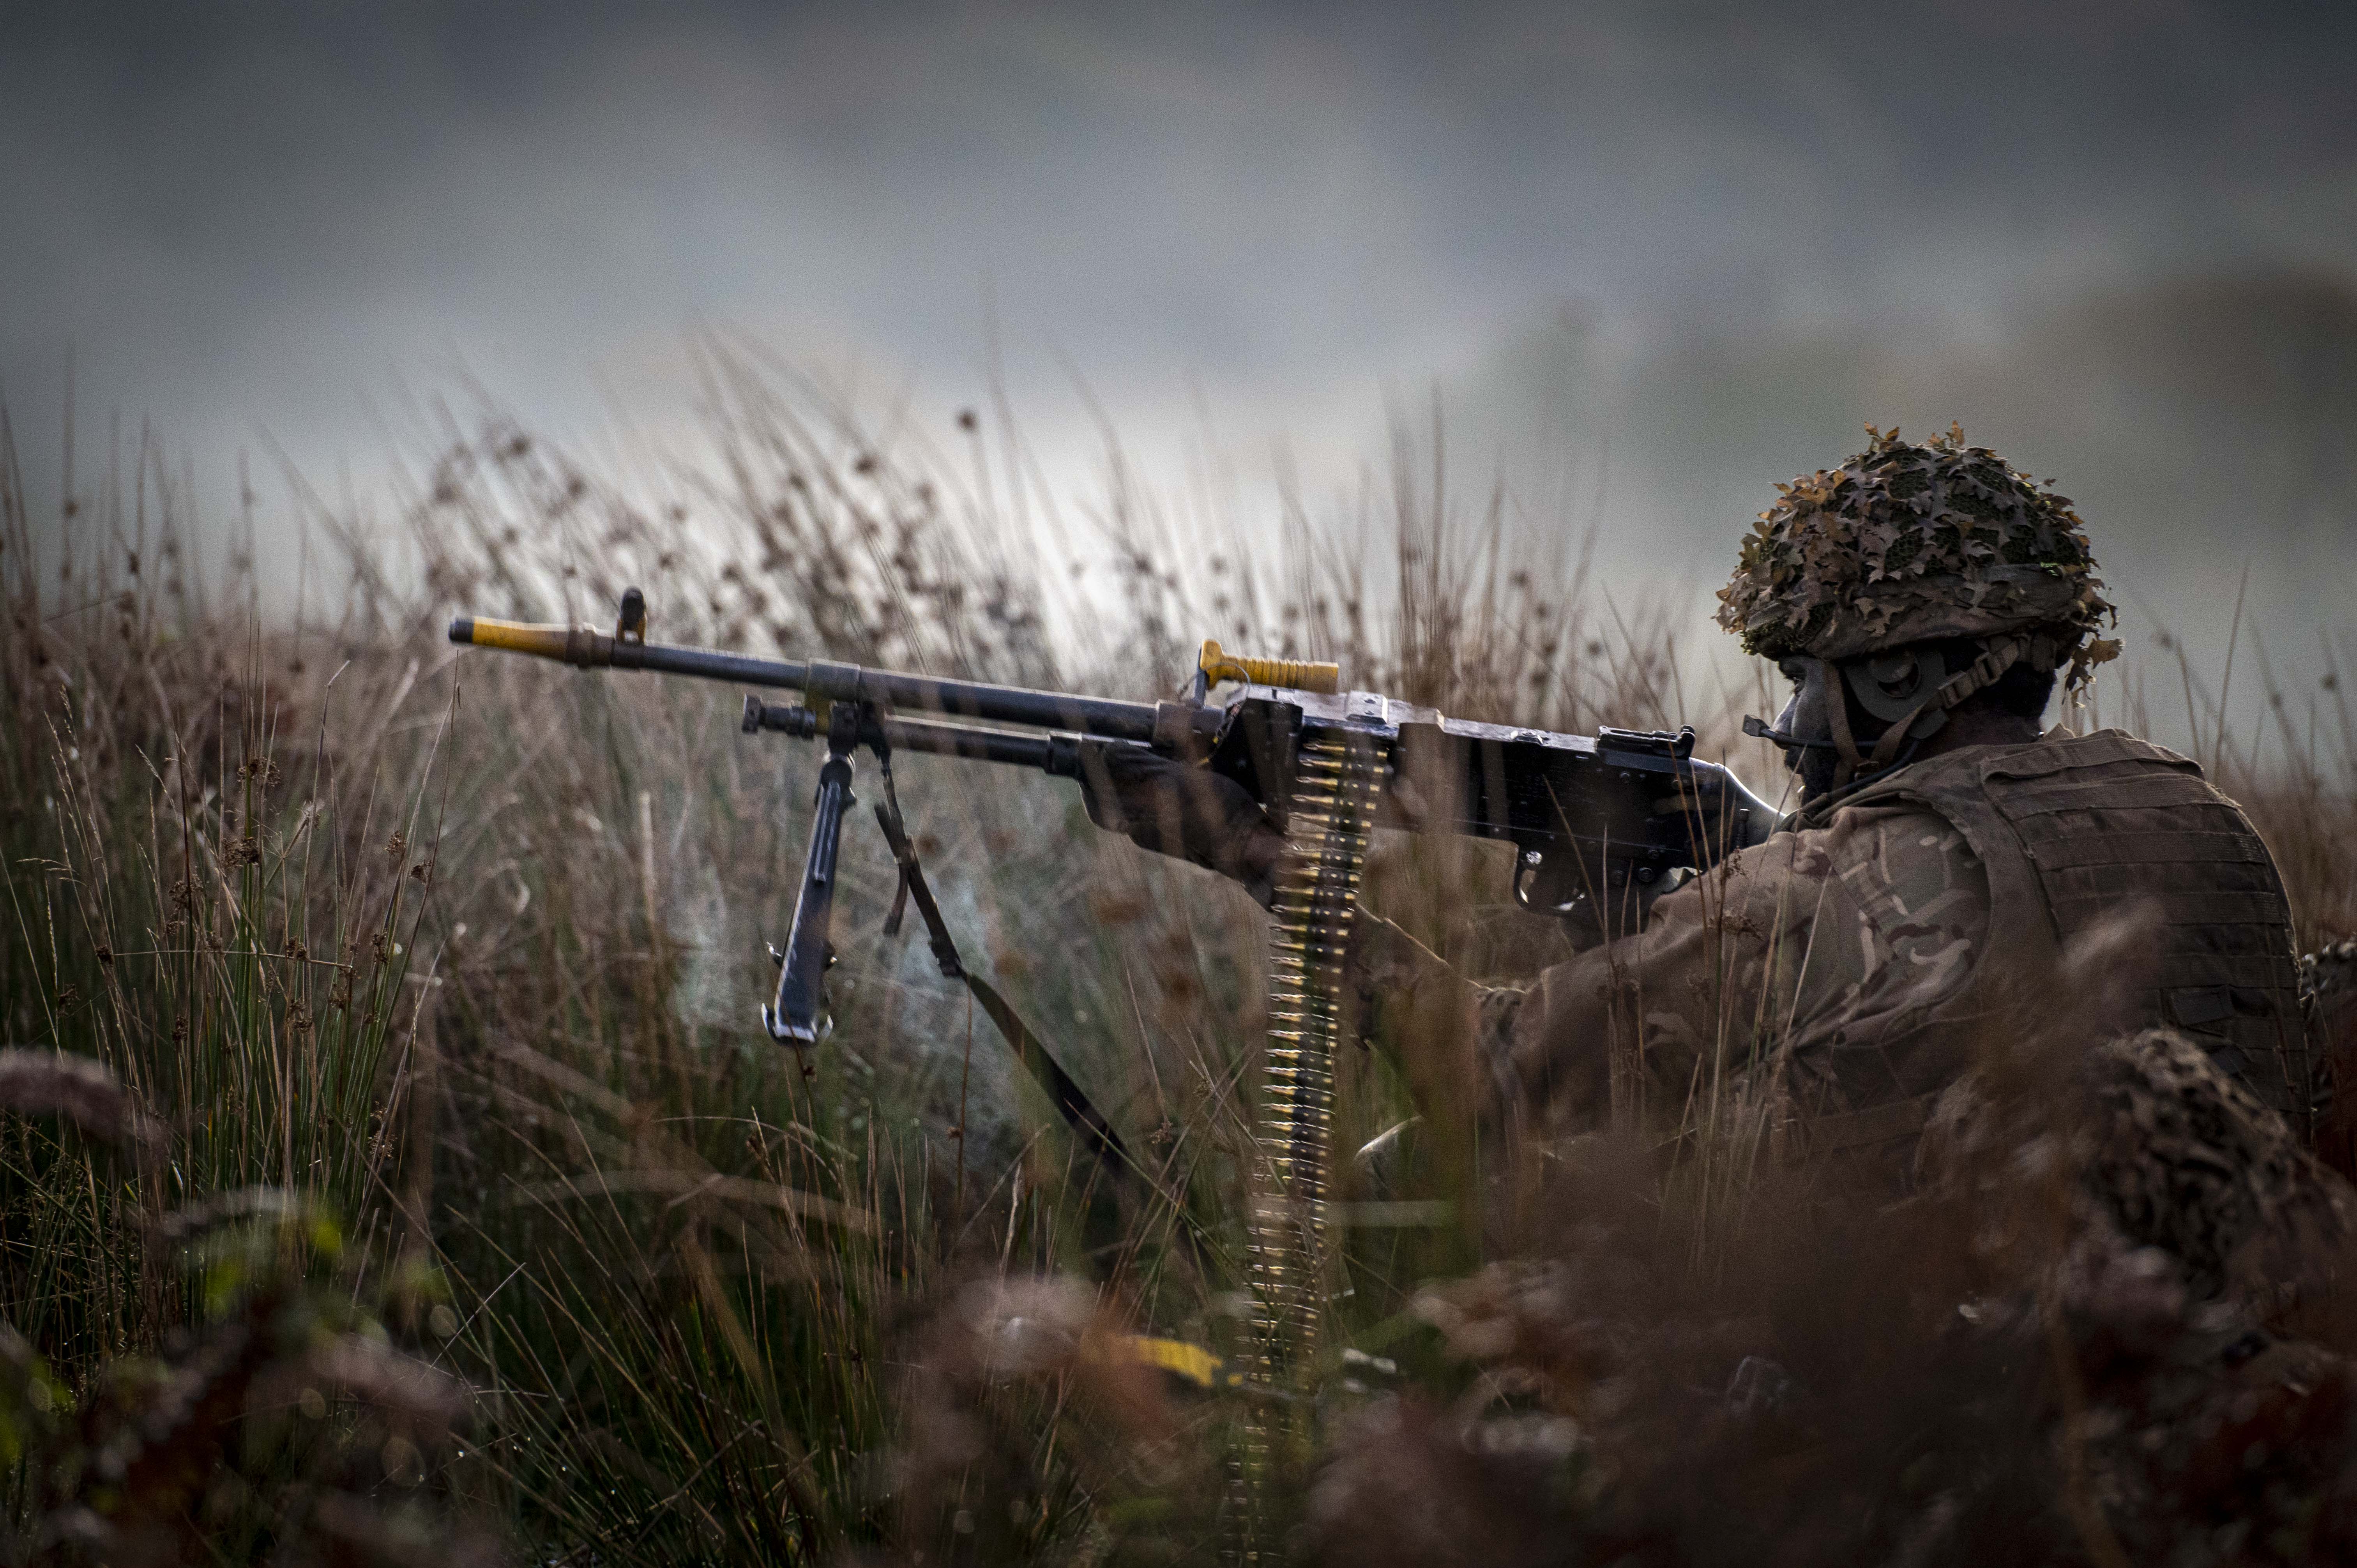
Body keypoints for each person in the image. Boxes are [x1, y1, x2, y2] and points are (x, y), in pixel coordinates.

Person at [1083, 424, 2316, 1189]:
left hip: (1944, 1401)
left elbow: (1495, 1073)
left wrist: (1260, 860)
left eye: (1805, 676)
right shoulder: (2205, 820)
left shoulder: (1854, 885)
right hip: (2205, 1364)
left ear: (1899, 677)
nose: (1788, 719)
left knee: (1394, 1193)